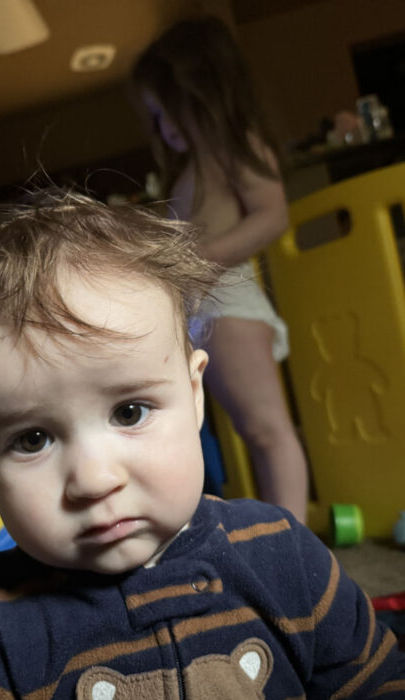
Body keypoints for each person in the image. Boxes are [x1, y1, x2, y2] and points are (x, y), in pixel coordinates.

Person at [0, 188, 405, 700]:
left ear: (194, 394)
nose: (93, 479)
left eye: (130, 412)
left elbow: (377, 690)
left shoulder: (283, 556)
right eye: (31, 439)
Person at [132, 16, 308, 522]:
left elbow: (273, 214)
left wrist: (195, 261)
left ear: (198, 95)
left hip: (229, 301)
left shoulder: (236, 144)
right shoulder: (189, 171)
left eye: (166, 113)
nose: (163, 129)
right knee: (240, 434)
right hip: (199, 308)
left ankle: (293, 547)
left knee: (267, 429)